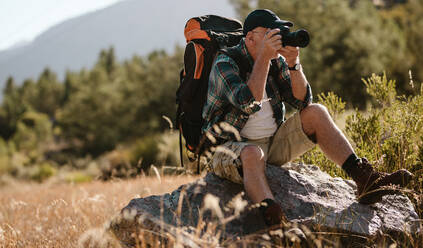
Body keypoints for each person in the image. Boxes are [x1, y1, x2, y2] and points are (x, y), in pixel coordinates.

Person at [201, 9, 414, 226]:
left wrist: (293, 64)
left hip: (271, 146)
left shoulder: (276, 61)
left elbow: (302, 102)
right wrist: (264, 58)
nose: (278, 38)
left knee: (316, 112)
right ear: (250, 38)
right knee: (252, 153)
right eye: (271, 34)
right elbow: (249, 102)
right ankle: (274, 219)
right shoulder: (225, 63)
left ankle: (365, 181)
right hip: (228, 149)